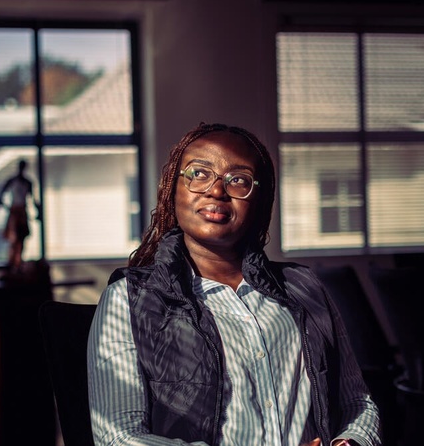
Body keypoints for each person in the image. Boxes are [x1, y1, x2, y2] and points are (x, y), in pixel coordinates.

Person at [86, 122, 381, 446]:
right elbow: (118, 437)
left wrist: (351, 442)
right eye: (199, 174)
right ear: (173, 188)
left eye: (238, 180)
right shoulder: (129, 299)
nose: (216, 191)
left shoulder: (303, 287)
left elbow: (357, 404)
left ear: (259, 198)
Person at [0, 159, 41, 272]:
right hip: (15, 211)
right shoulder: (12, 181)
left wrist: (38, 211)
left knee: (21, 237)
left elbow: (34, 199)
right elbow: (1, 191)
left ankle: (18, 262)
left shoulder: (27, 183)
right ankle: (13, 262)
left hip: (22, 212)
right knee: (13, 238)